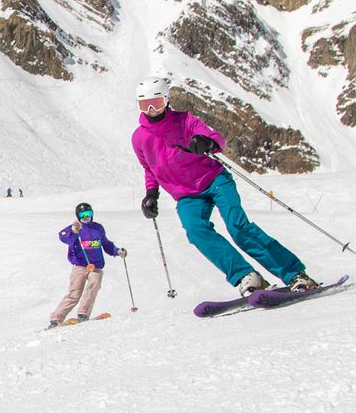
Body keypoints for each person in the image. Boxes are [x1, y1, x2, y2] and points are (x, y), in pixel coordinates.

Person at [131, 75, 317, 295]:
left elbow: (216, 138)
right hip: (186, 196)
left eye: (156, 103)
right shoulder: (139, 138)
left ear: (167, 99)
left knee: (238, 228)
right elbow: (149, 168)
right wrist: (151, 193)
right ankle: (246, 276)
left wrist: (207, 142)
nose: (151, 109)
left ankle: (294, 274)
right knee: (195, 231)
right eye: (145, 105)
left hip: (214, 180)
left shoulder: (185, 120)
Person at [48, 202, 126, 328]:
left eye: (88, 214)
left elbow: (106, 244)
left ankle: (83, 314)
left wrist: (117, 251)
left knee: (94, 285)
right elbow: (62, 237)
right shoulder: (76, 228)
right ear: (78, 216)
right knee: (74, 294)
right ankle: (56, 319)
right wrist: (73, 231)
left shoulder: (98, 228)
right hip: (80, 266)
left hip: (96, 266)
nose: (86, 217)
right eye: (82, 214)